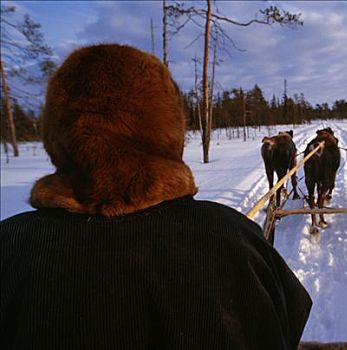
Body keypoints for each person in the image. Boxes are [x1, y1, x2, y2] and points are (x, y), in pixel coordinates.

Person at [0, 44, 312, 350]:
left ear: (57, 135)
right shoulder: (233, 235)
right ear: (168, 129)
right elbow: (290, 318)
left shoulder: (10, 245)